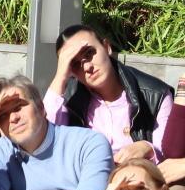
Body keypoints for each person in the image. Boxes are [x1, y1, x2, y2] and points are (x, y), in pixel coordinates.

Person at [43, 24, 173, 163]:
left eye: (89, 53)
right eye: (74, 64)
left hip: (136, 174)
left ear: (106, 47)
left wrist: (148, 148)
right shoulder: (68, 99)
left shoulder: (155, 94)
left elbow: (169, 156)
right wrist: (60, 77)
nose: (87, 67)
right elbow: (44, 143)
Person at [0, 75, 113, 190]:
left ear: (41, 108)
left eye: (19, 107)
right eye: (3, 115)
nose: (13, 118)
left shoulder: (88, 145)